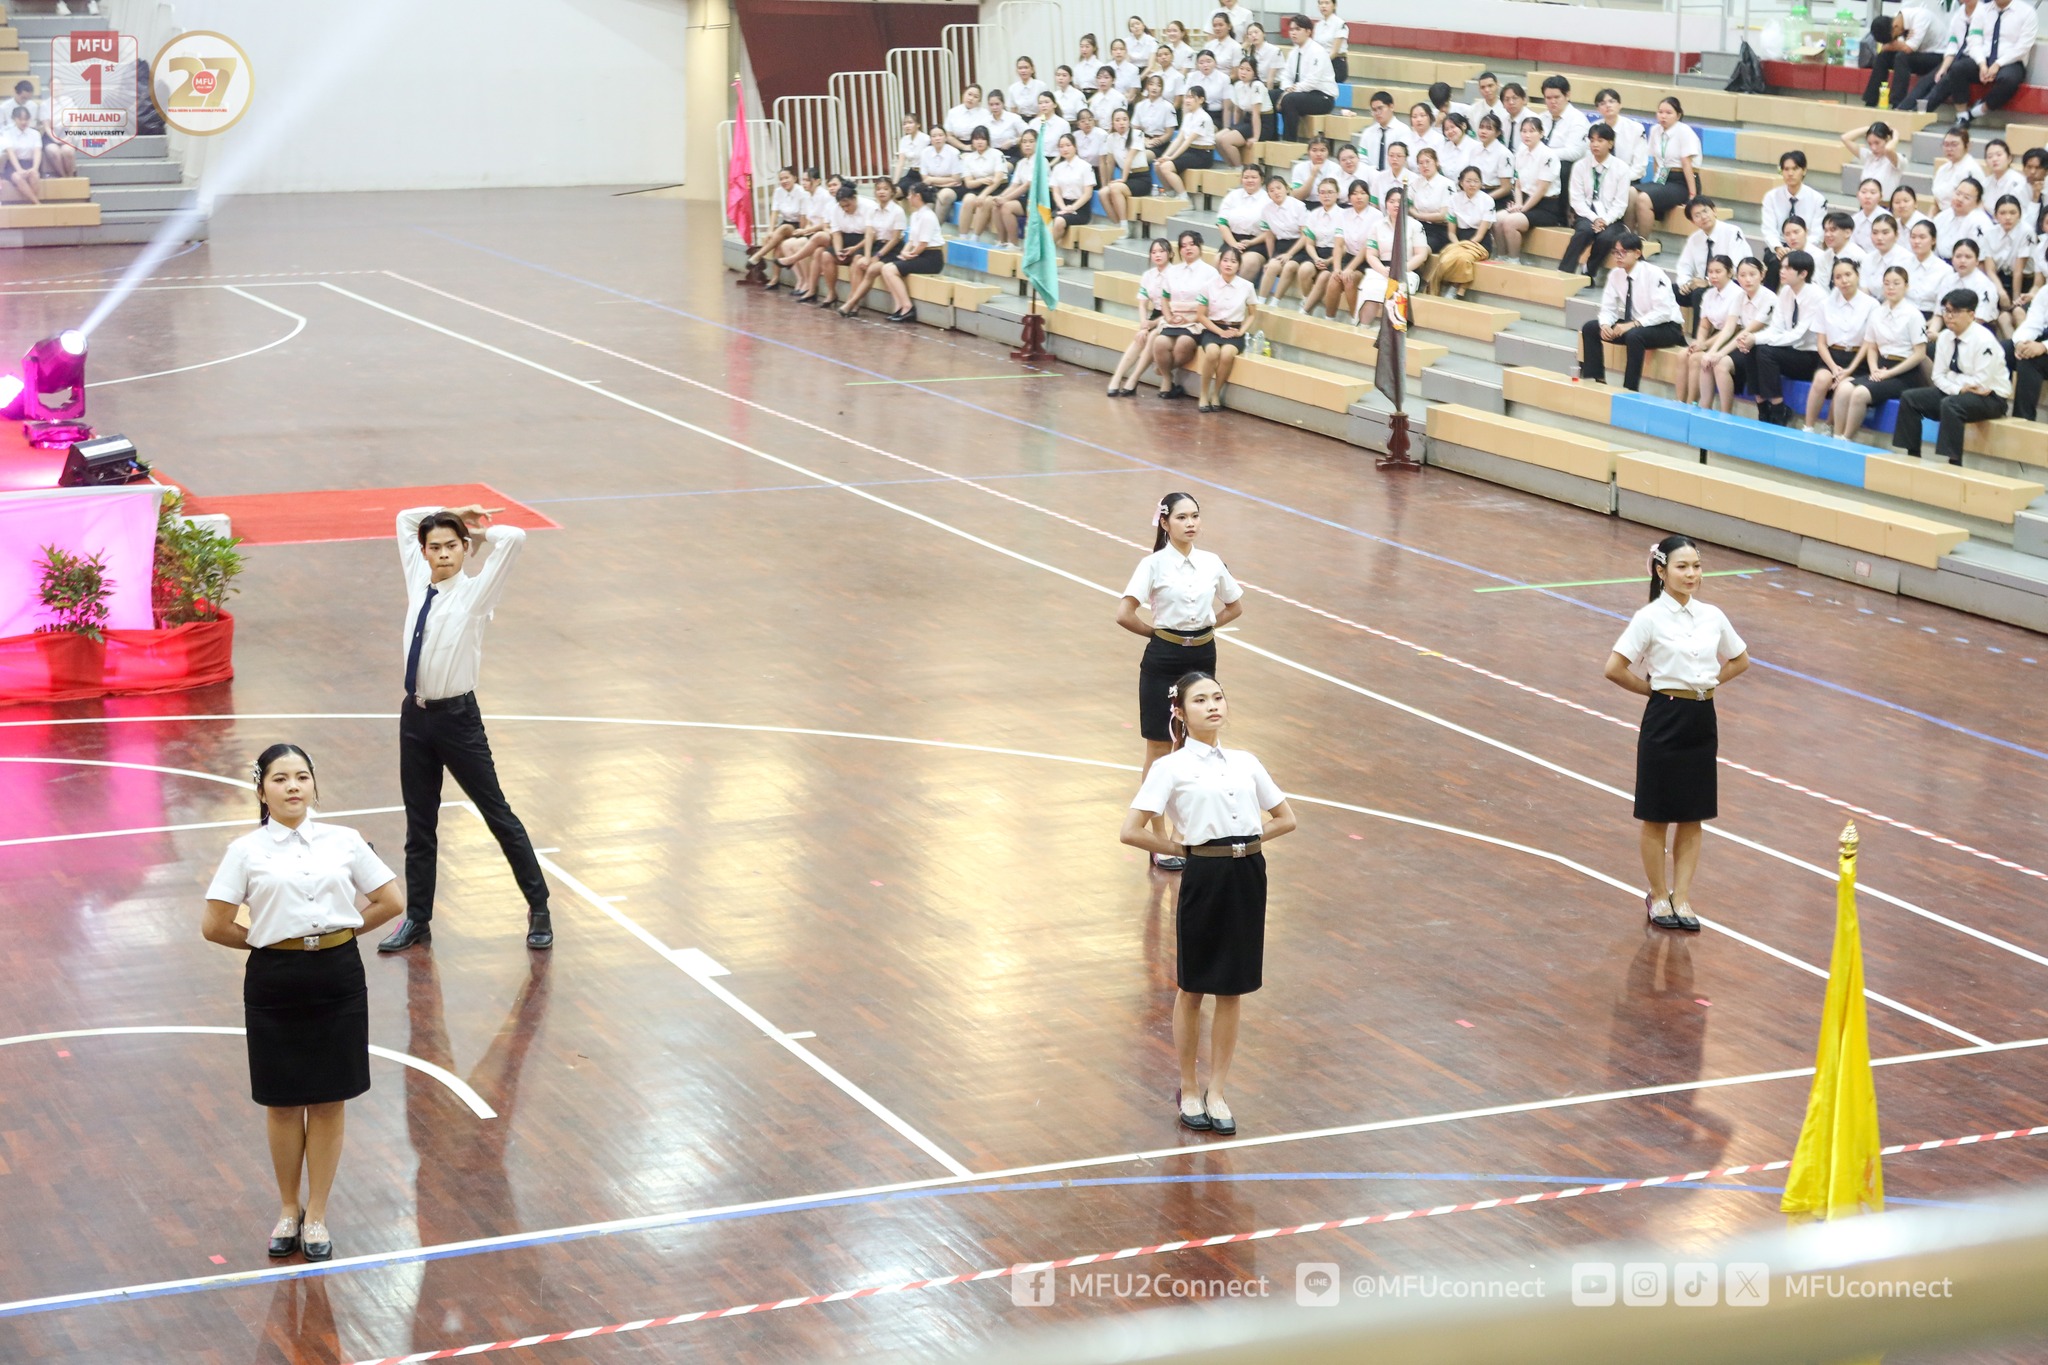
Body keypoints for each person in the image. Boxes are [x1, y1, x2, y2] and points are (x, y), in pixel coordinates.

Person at [203, 744, 406, 1261]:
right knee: (283, 1101)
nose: (292, 787)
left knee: (330, 1099)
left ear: (314, 784)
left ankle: (316, 1213)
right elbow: (215, 924)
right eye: (280, 779)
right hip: (275, 980)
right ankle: (287, 1208)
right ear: (261, 790)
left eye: (301, 777)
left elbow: (391, 901)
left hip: (338, 976)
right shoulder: (244, 851)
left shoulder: (345, 841)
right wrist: (268, 942)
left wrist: (341, 935)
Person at [1119, 670, 1295, 1136]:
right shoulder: (1170, 768)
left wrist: (1246, 843)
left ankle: (1218, 1091)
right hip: (1204, 876)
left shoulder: (1246, 762)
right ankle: (1189, 1087)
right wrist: (1185, 849)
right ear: (1179, 712)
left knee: (1232, 988)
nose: (1213, 705)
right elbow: (1131, 830)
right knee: (1193, 986)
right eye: (1200, 700)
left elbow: (1286, 818)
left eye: (1218, 697)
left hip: (1248, 875)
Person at [380, 505, 553, 954]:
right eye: (435, 547)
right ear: (424, 552)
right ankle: (417, 919)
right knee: (420, 825)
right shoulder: (418, 580)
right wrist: (451, 512)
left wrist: (476, 531)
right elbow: (404, 519)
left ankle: (539, 907)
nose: (443, 554)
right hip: (414, 717)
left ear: (463, 549)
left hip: (457, 721)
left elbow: (514, 538)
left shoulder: (476, 595)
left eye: (452, 546)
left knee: (497, 814)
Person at [1603, 536, 1750, 934]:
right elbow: (1614, 668)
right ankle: (1658, 894)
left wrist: (1707, 683)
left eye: (1696, 566)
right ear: (1661, 571)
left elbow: (1740, 659)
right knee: (1657, 814)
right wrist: (1653, 691)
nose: (1691, 574)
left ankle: (1682, 896)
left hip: (1702, 720)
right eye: (1682, 567)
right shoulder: (1648, 618)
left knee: (1692, 813)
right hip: (1665, 719)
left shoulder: (1713, 616)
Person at [1116, 496, 1247, 865]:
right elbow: (1124, 613)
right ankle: (1158, 840)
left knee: (1195, 745)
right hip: (1163, 659)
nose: (1190, 523)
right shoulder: (1152, 565)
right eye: (1182, 517)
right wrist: (1159, 636)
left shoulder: (1212, 562)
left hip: (1202, 658)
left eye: (1195, 516)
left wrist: (1205, 627)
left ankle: (1185, 831)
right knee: (1160, 749)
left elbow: (1235, 605)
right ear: (1165, 523)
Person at [1894, 288, 2011, 462]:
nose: (1949, 316)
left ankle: (1953, 463)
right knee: (1910, 398)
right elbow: (1938, 376)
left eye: (1955, 312)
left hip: (1991, 398)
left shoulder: (1984, 340)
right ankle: (1912, 456)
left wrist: (1952, 381)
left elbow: (1980, 383)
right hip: (1958, 392)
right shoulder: (1944, 337)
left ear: (1971, 314)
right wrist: (1958, 388)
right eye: (1947, 311)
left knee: (1951, 405)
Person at [1578, 232, 1683, 391]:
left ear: (1637, 253)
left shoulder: (1654, 274)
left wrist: (1633, 324)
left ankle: (1630, 389)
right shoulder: (1615, 274)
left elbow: (1664, 312)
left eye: (1623, 252)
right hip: (1637, 326)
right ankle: (1596, 380)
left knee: (1634, 336)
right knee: (1591, 328)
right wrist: (1605, 324)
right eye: (1615, 252)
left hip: (1667, 327)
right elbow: (1608, 308)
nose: (1618, 256)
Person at [1837, 265, 1928, 435]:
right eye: (1887, 283)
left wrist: (1888, 373)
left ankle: (1846, 438)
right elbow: (1872, 347)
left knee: (1859, 393)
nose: (1891, 287)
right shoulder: (1877, 312)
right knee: (1843, 388)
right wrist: (1874, 369)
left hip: (1904, 373)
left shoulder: (1914, 315)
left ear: (1906, 286)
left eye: (1896, 283)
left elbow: (1920, 354)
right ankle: (1836, 436)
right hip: (1880, 368)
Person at [1802, 257, 1879, 430]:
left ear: (1857, 275)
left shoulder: (1872, 305)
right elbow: (1821, 344)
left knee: (1843, 386)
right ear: (1833, 281)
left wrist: (1849, 370)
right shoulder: (1825, 304)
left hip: (1859, 359)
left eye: (1848, 275)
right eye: (1838, 277)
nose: (1844, 280)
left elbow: (1868, 343)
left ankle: (1829, 427)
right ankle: (1808, 427)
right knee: (1821, 379)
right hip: (1832, 356)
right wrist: (1834, 368)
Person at [1749, 250, 1825, 424]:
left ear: (1803, 273)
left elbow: (1798, 336)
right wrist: (1752, 338)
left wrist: (1757, 339)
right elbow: (1776, 328)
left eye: (1787, 268)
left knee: (1764, 351)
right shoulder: (1785, 292)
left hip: (1811, 357)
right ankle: (1762, 408)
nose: (1781, 271)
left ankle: (1778, 410)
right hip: (1791, 351)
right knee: (1750, 348)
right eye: (1781, 267)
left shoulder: (1817, 297)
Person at [1936, 0, 2034, 127]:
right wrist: (1981, 63)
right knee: (1957, 68)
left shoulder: (2027, 12)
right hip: (1983, 58)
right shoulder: (1982, 10)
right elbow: (1973, 41)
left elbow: (2023, 47)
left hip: (2011, 60)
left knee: (2009, 80)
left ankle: (1975, 112)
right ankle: (1961, 115)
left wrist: (1998, 64)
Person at [1558, 123, 1634, 279]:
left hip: (1612, 218)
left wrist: (1605, 220)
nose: (1595, 144)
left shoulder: (1621, 168)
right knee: (1583, 232)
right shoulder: (1580, 166)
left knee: (1606, 237)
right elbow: (1576, 200)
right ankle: (1564, 272)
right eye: (1592, 140)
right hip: (1586, 215)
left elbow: (1620, 204)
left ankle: (1589, 273)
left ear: (1610, 143)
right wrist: (1595, 218)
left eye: (1600, 140)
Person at [1154, 230, 1221, 396]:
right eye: (1183, 246)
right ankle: (1167, 378)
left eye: (1192, 244)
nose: (1188, 248)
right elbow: (1164, 298)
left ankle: (1164, 369)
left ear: (1199, 246)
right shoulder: (1172, 271)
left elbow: (1212, 303)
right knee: (1160, 343)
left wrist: (1192, 319)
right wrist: (1169, 317)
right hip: (1174, 319)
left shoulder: (1210, 272)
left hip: (1196, 321)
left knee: (1183, 343)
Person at [1355, 184, 1428, 332]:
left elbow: (1421, 254)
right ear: (1386, 204)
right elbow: (1371, 254)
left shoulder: (1415, 225)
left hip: (1407, 269)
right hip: (1382, 268)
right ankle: (1363, 328)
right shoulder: (1377, 226)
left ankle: (1392, 333)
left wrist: (1401, 270)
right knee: (1370, 288)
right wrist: (1383, 270)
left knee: (1396, 289)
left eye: (1399, 201)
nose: (1396, 205)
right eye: (1391, 201)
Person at [1710, 256, 1777, 412]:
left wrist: (1720, 354)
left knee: (1721, 363)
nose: (1747, 279)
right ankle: (1712, 411)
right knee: (1710, 362)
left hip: (1763, 347)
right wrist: (1712, 351)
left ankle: (1728, 413)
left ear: (1762, 275)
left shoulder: (1770, 299)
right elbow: (1729, 328)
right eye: (1742, 275)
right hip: (1744, 344)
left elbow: (1748, 331)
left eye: (1752, 274)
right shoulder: (1739, 296)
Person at [1108, 238, 1175, 396]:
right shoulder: (1148, 275)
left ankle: (1133, 379)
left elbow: (1173, 308)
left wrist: (1151, 325)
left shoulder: (1176, 274)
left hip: (1171, 315)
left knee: (1151, 337)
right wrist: (1144, 323)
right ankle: (1116, 378)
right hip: (1156, 314)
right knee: (1139, 338)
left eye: (1161, 251)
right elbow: (1142, 304)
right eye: (1154, 252)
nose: (1157, 255)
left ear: (1171, 254)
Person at [1493, 115, 1561, 265]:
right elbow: (1518, 184)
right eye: (1523, 131)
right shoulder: (1521, 152)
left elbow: (1541, 190)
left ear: (1541, 133)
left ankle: (1514, 259)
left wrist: (1522, 209)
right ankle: (1501, 256)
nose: (1527, 135)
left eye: (1532, 131)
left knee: (1511, 222)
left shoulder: (1548, 156)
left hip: (1545, 206)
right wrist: (1518, 204)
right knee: (1497, 219)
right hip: (1524, 200)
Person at [1196, 247, 1258, 411]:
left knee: (1226, 354)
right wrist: (1220, 332)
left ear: (1239, 266)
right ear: (1219, 263)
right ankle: (1203, 394)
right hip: (1213, 329)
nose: (1228, 264)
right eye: (1225, 260)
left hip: (1234, 331)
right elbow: (1200, 316)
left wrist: (1241, 331)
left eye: (1233, 261)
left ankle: (1216, 393)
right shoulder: (1208, 285)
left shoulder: (1247, 286)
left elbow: (1252, 314)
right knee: (1212, 353)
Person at [1631, 97, 1702, 234]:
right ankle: (1628, 237)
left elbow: (1687, 164)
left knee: (1644, 198)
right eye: (1660, 112)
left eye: (1668, 113)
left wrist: (1693, 195)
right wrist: (1656, 183)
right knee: (1631, 192)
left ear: (1678, 115)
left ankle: (1643, 240)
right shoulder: (1655, 130)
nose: (1663, 116)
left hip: (1682, 181)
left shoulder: (1684, 131)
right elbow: (1657, 161)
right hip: (1663, 176)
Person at [1678, 254, 1740, 407]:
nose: (1713, 276)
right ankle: (1679, 403)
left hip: (1732, 338)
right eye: (1710, 272)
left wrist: (1705, 345)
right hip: (1715, 336)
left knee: (1696, 358)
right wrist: (1699, 341)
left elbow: (1731, 329)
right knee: (1683, 354)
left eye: (1718, 271)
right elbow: (1704, 325)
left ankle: (1692, 403)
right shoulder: (1709, 294)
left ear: (1730, 273)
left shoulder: (1737, 294)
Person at [876, 183, 942, 322]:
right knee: (885, 268)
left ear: (917, 196)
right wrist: (904, 252)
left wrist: (911, 255)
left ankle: (907, 306)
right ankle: (899, 305)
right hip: (919, 254)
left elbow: (923, 244)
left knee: (891, 270)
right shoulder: (915, 215)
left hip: (931, 258)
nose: (908, 197)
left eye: (910, 195)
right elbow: (911, 240)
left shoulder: (928, 216)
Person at [838, 178, 904, 318]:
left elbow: (895, 239)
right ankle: (854, 304)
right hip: (877, 245)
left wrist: (877, 256)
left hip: (892, 248)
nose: (881, 192)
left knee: (872, 269)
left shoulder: (897, 211)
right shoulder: (873, 210)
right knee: (859, 263)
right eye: (878, 189)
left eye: (885, 189)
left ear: (892, 192)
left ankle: (851, 302)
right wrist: (868, 257)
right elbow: (869, 234)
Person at [1274, 12, 1337, 142]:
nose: (1293, 33)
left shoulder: (1317, 51)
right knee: (1269, 95)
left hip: (1322, 97)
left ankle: (1290, 142)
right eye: (1291, 29)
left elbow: (1312, 82)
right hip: (1300, 93)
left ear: (1308, 32)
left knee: (1289, 100)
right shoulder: (1293, 52)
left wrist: (1289, 92)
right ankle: (1271, 137)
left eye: (1297, 29)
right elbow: (1286, 76)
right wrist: (1286, 89)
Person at [1864, 8, 1942, 108]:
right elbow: (1897, 46)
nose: (1894, 40)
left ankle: (1897, 103)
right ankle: (1870, 101)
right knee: (1883, 57)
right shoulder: (1897, 21)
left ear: (1895, 27)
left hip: (1937, 57)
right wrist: (1900, 44)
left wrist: (1896, 45)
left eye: (1894, 38)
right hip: (1918, 54)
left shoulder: (1921, 18)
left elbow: (1909, 48)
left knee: (1902, 57)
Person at [1215, 163, 1273, 283]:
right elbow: (1222, 223)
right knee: (1218, 260)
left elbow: (1271, 231)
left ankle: (1237, 291)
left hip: (1258, 242)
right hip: (1233, 239)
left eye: (1254, 177)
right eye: (1246, 177)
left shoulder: (1268, 199)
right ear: (1241, 179)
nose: (1250, 180)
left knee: (1248, 262)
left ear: (1261, 179)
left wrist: (1251, 242)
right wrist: (1234, 244)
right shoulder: (1232, 196)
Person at [1256, 172, 1310, 302]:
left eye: (1279, 188)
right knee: (1272, 266)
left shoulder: (1299, 206)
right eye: (1271, 190)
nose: (1276, 192)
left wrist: (1289, 254)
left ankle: (1275, 302)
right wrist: (1271, 258)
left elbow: (1305, 236)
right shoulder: (1266, 210)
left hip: (1299, 246)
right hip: (1281, 245)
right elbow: (1269, 237)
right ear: (1268, 194)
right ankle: (1260, 301)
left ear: (1286, 188)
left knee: (1288, 267)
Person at [1298, 176, 1347, 314]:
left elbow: (1344, 247)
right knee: (1304, 269)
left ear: (1337, 194)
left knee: (1324, 276)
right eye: (1322, 192)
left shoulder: (1344, 215)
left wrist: (1329, 261)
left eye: (1330, 192)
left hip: (1337, 255)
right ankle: (1307, 301)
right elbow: (1309, 243)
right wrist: (1316, 259)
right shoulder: (1313, 214)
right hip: (1317, 253)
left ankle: (1307, 309)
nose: (1326, 196)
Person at [1155, 87, 1217, 195]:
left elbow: (1188, 141)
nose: (1188, 100)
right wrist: (1165, 156)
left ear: (1201, 100)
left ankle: (1183, 197)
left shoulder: (1203, 118)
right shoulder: (1188, 116)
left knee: (1166, 167)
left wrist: (1172, 158)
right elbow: (1179, 139)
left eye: (1192, 97)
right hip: (1190, 151)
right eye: (1187, 97)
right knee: (1158, 165)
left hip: (1202, 154)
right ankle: (1170, 193)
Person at [1762, 150, 1828, 250]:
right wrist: (1777, 247)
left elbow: (1817, 234)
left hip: (1807, 248)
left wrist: (1798, 249)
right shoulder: (1771, 197)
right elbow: (1768, 230)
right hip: (1780, 247)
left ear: (1804, 170)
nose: (1790, 173)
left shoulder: (1817, 199)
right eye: (1786, 169)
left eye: (1795, 169)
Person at [956, 129, 1010, 243]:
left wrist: (983, 194)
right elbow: (969, 183)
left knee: (985, 201)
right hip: (978, 186)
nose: (979, 142)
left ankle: (975, 237)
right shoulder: (968, 158)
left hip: (996, 188)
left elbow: (997, 180)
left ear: (988, 140)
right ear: (972, 141)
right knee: (968, 199)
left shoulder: (997, 154)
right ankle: (962, 236)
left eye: (983, 139)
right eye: (976, 139)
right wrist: (981, 181)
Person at [1217, 57, 1269, 165]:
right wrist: (1235, 128)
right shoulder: (1238, 85)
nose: (1243, 72)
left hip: (1263, 122)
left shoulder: (1257, 86)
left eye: (1248, 70)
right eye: (1241, 68)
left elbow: (1256, 114)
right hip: (1247, 120)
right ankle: (1231, 166)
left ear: (1254, 73)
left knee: (1226, 141)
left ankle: (1239, 168)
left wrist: (1255, 137)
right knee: (1217, 139)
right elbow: (1237, 111)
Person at [2007, 283, 2048, 418]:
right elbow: (2032, 323)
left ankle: (2023, 419)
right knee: (2003, 350)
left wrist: (2043, 347)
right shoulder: (2045, 291)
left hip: (2044, 348)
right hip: (2041, 340)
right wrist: (2021, 342)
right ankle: (1995, 406)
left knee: (2031, 360)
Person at [1047, 134, 1096, 245]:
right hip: (1062, 206)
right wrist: (1063, 208)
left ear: (1075, 146)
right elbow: (1056, 192)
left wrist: (1072, 208)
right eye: (1061, 146)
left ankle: (1047, 250)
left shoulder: (1085, 167)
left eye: (1068, 145)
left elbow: (1088, 194)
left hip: (1080, 209)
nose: (1065, 149)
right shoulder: (1057, 168)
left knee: (1059, 221)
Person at [1931, 129, 1985, 207]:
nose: (1949, 149)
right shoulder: (1942, 169)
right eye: (1946, 144)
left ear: (1967, 146)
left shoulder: (1970, 170)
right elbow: (1936, 201)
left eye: (1954, 145)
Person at [4, 104, 42, 205]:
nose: (23, 122)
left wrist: (35, 168)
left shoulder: (35, 134)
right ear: (14, 119)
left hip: (30, 162)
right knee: (17, 177)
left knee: (34, 175)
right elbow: (11, 153)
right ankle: (37, 203)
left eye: (26, 119)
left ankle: (31, 205)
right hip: (13, 165)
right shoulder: (7, 134)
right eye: (20, 119)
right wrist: (19, 169)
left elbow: (37, 152)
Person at [1313, 0, 1348, 83]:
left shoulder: (1340, 24)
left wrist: (1320, 64)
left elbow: (1334, 52)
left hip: (1335, 63)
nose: (1323, 6)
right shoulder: (1318, 25)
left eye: (1327, 3)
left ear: (1334, 5)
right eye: (1321, 3)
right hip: (1320, 62)